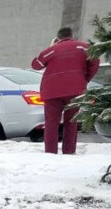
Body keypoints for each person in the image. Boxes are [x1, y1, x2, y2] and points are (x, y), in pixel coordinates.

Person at [32, 27, 99, 155]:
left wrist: (50, 47)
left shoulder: (51, 50)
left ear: (58, 38)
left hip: (52, 92)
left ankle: (50, 153)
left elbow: (36, 65)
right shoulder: (83, 47)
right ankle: (69, 151)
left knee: (51, 123)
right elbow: (95, 61)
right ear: (72, 35)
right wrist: (85, 79)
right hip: (75, 91)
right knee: (71, 122)